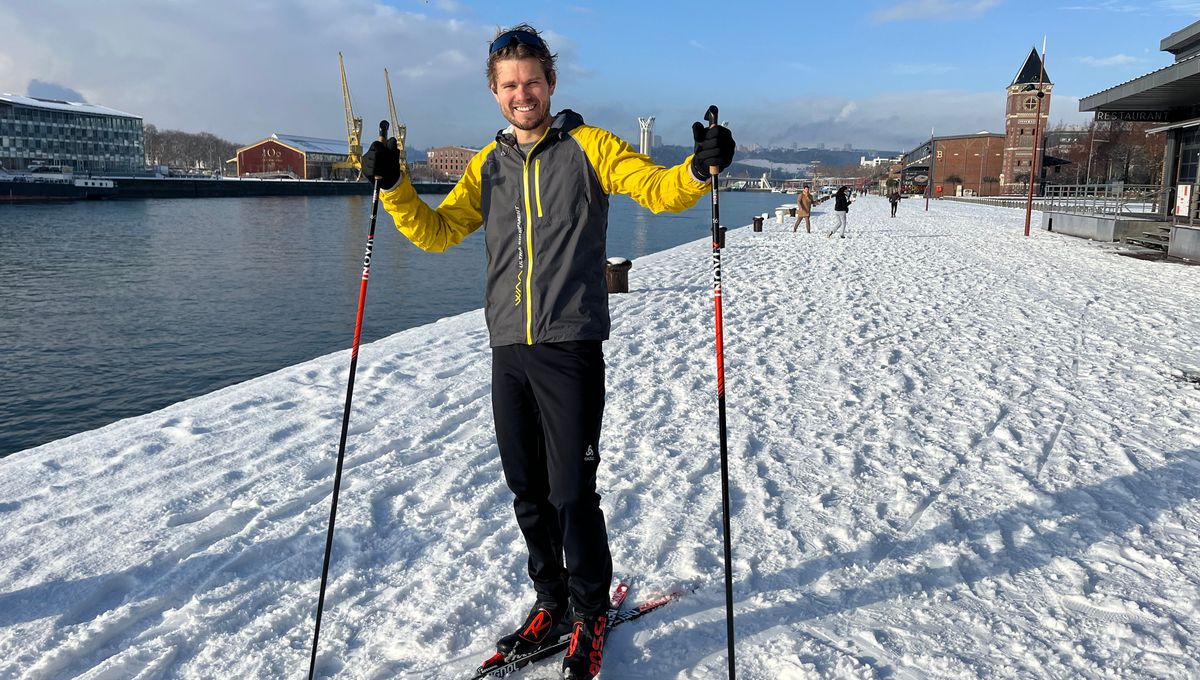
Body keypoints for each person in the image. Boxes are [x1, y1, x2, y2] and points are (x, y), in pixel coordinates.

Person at [361, 23, 735, 680]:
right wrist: (394, 186)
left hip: (570, 345)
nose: (522, 93)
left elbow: (655, 188)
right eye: (509, 84)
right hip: (509, 347)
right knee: (527, 490)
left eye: (531, 80)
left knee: (570, 492)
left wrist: (699, 168)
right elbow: (437, 232)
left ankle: (590, 612)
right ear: (496, 92)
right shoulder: (489, 164)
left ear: (551, 83)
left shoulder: (589, 147)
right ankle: (551, 601)